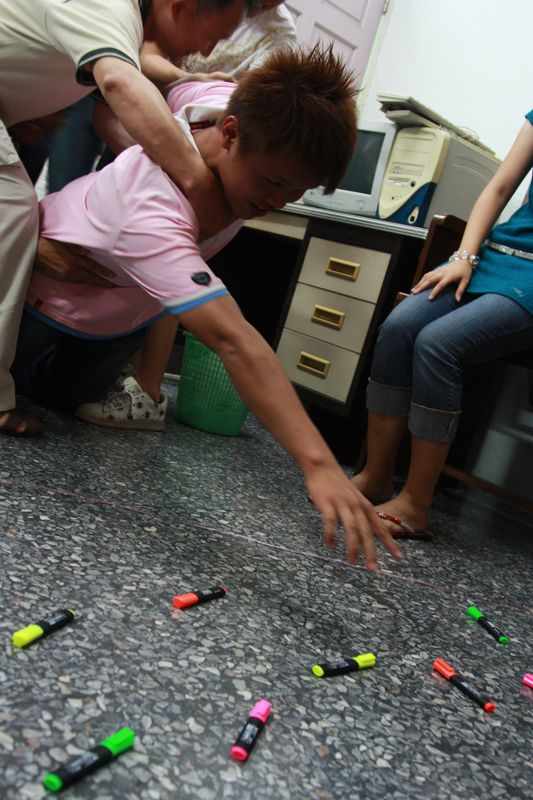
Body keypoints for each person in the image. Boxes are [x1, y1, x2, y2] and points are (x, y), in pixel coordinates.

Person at [13, 45, 401, 571]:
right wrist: (319, 465)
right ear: (232, 134)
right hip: (42, 297)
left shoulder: (223, 104)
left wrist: (178, 73)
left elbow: (179, 86)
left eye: (299, 190)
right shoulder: (153, 209)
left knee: (69, 397)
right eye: (273, 182)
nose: (279, 202)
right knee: (21, 385)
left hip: (117, 318)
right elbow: (232, 340)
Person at [0, 0, 253, 438]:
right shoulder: (111, 10)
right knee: (14, 204)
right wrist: (196, 183)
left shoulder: (126, 28)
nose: (207, 49)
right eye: (212, 34)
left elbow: (112, 107)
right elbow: (120, 83)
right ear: (182, 7)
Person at [352, 108, 533, 536]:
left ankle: (415, 504)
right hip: (495, 256)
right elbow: (500, 187)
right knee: (400, 326)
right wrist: (464, 256)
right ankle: (377, 476)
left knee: (439, 343)